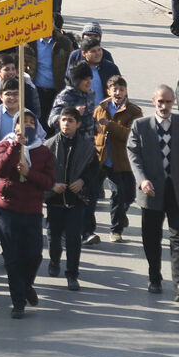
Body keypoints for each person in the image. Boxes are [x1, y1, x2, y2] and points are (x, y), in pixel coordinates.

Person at [126, 85, 179, 301]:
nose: (164, 106)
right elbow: (133, 155)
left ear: (174, 102)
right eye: (161, 102)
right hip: (151, 191)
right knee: (151, 237)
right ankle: (154, 277)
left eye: (168, 102)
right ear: (153, 101)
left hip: (178, 190)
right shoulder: (140, 126)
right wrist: (142, 180)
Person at [0, 109, 55, 318]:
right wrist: (14, 147)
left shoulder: (43, 151)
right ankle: (18, 301)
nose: (26, 125)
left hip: (32, 210)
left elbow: (48, 182)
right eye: (22, 122)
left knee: (34, 255)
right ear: (15, 126)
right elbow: (0, 169)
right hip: (9, 210)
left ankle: (27, 285)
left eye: (30, 122)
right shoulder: (4, 145)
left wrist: (29, 173)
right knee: (12, 258)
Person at [45, 106, 99, 291]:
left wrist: (82, 181)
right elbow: (42, 172)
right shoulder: (49, 145)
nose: (66, 124)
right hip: (55, 199)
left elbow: (94, 171)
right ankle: (54, 260)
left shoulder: (87, 147)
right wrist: (52, 186)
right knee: (53, 236)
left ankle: (72, 274)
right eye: (63, 120)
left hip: (76, 200)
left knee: (73, 239)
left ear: (78, 124)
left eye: (70, 121)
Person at [92, 74, 143, 243]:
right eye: (115, 89)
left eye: (121, 89)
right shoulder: (100, 108)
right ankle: (114, 229)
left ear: (126, 91)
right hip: (102, 159)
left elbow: (131, 135)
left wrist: (110, 125)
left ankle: (121, 214)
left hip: (122, 161)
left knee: (127, 195)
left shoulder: (134, 112)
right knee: (97, 195)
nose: (118, 92)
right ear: (108, 91)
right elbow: (92, 131)